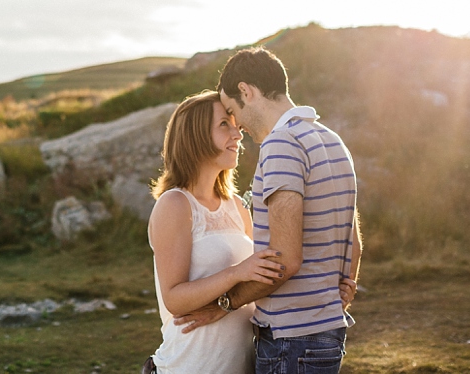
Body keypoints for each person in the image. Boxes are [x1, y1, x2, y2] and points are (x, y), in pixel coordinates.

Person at [174, 47, 362, 374]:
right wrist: (341, 289)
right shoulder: (331, 140)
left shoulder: (281, 144)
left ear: (246, 91)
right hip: (327, 332)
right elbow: (354, 242)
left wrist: (225, 304)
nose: (238, 125)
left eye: (233, 109)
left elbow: (285, 259)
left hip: (291, 338)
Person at [146, 90, 285, 374]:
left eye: (235, 124)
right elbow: (174, 300)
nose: (238, 133)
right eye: (225, 124)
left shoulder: (236, 206)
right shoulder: (175, 204)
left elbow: (258, 278)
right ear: (195, 137)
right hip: (189, 365)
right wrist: (236, 273)